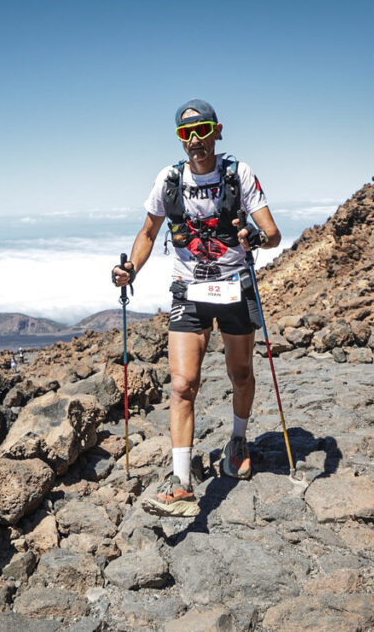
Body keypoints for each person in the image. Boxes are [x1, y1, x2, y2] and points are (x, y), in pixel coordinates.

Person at [112, 99, 281, 517]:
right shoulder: (168, 180)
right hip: (189, 291)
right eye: (185, 134)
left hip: (233, 287)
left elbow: (273, 234)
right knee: (183, 383)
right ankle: (181, 480)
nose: (194, 141)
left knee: (240, 372)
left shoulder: (237, 174)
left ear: (217, 130)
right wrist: (131, 267)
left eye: (202, 130)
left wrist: (254, 240)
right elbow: (149, 232)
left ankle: (238, 440)